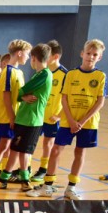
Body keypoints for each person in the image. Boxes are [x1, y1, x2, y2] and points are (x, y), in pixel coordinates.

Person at [28, 39, 106, 200]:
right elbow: (64, 98)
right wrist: (70, 120)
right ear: (82, 54)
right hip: (68, 121)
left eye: (95, 54)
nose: (91, 57)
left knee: (80, 152)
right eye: (88, 53)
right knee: (56, 150)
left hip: (88, 123)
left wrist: (82, 122)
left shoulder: (100, 76)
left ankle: (71, 188)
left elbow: (100, 102)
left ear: (99, 57)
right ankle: (47, 186)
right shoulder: (71, 74)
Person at [0, 44, 52, 192]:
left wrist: (22, 96)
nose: (28, 58)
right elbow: (17, 94)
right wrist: (13, 113)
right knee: (11, 148)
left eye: (30, 56)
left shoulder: (42, 74)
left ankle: (20, 180)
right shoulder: (22, 73)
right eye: (27, 54)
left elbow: (21, 92)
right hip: (18, 118)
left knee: (20, 150)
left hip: (29, 119)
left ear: (34, 58)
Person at [0, 40, 30, 188]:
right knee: (3, 145)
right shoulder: (7, 71)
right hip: (8, 116)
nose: (28, 57)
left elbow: (18, 94)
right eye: (27, 54)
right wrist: (11, 117)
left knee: (11, 147)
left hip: (18, 116)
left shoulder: (19, 72)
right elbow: (6, 96)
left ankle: (6, 173)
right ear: (19, 53)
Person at [30, 40, 67, 183]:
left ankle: (43, 169)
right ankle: (26, 168)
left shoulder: (65, 74)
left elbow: (68, 98)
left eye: (48, 54)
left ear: (56, 56)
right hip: (38, 114)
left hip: (52, 117)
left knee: (48, 144)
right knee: (31, 142)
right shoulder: (42, 72)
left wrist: (59, 115)